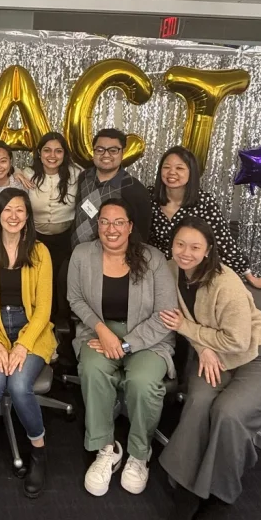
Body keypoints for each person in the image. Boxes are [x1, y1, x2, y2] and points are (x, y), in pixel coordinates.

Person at [157, 217, 261, 520]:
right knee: (199, 403)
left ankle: (221, 496)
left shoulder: (224, 281)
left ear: (207, 251)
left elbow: (235, 340)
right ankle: (188, 494)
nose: (185, 253)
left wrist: (193, 336)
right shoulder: (170, 270)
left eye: (195, 247)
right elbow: (180, 318)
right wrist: (202, 348)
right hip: (213, 357)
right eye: (180, 244)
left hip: (260, 358)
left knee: (228, 413)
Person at [67, 198, 176, 498]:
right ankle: (106, 448)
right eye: (104, 222)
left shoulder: (153, 259)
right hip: (97, 331)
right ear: (97, 224)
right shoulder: (82, 254)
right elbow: (75, 300)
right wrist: (103, 332)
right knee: (92, 369)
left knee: (142, 382)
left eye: (118, 222)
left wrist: (126, 344)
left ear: (130, 227)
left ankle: (139, 454)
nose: (110, 229)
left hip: (147, 336)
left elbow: (166, 314)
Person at [0, 188, 56, 499]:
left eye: (20, 210)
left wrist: (22, 344)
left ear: (28, 216)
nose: (14, 216)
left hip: (31, 328)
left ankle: (39, 451)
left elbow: (44, 308)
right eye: (8, 210)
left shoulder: (41, 251)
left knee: (18, 385)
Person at [150, 146, 261, 291]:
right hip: (157, 272)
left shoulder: (204, 202)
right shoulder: (148, 197)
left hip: (193, 271)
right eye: (166, 167)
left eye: (179, 168)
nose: (171, 172)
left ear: (191, 173)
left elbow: (224, 241)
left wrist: (249, 275)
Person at [14, 131, 80, 324]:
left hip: (65, 238)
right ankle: (38, 322)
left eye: (58, 151)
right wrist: (15, 170)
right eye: (47, 150)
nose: (52, 156)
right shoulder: (27, 174)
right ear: (39, 153)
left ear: (64, 154)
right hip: (36, 237)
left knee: (63, 281)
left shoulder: (77, 174)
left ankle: (62, 324)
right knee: (39, 282)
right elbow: (4, 172)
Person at [72, 128, 152, 249]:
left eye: (113, 150)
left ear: (122, 152)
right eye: (100, 150)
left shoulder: (134, 189)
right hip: (76, 255)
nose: (106, 155)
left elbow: (141, 234)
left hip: (112, 260)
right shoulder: (84, 178)